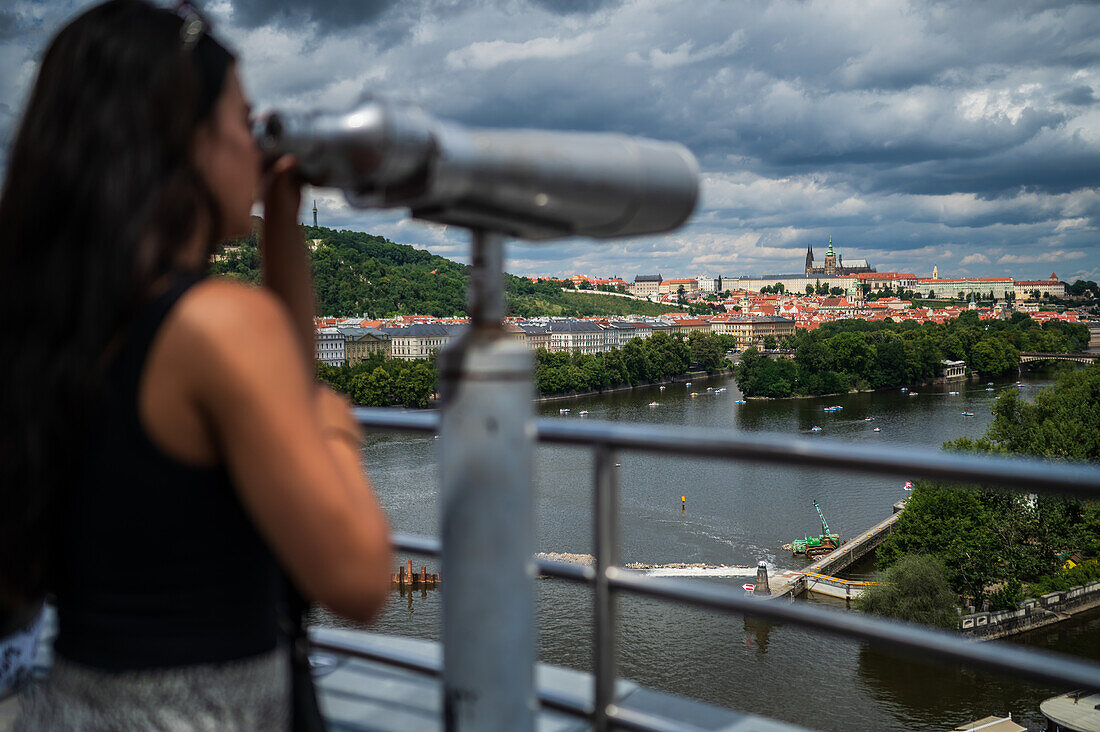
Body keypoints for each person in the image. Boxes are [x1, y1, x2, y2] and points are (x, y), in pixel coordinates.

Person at [0, 0, 392, 727]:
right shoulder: (218, 326)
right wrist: (332, 429)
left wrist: (283, 214)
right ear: (185, 141)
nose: (254, 146)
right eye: (241, 123)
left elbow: (273, 380)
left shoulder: (57, 321)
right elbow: (360, 579)